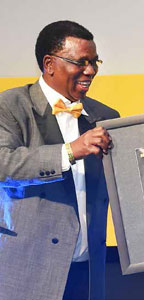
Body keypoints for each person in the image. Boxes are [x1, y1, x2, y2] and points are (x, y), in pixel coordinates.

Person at [0, 21, 119, 300]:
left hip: (88, 271)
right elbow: (4, 163)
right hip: (28, 268)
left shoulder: (106, 115)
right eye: (81, 62)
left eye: (94, 62)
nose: (90, 71)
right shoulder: (11, 105)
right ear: (49, 64)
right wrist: (69, 152)